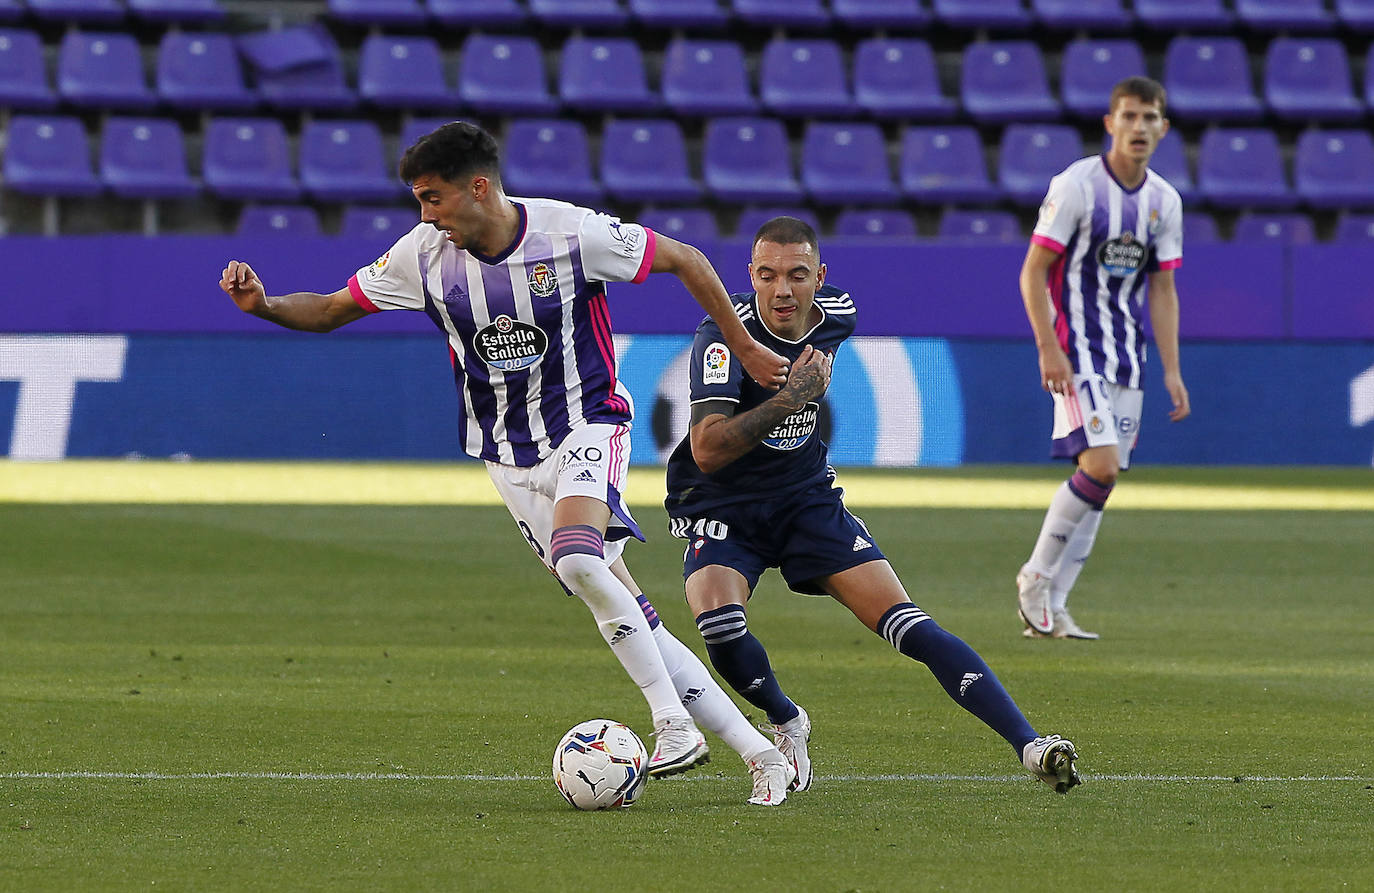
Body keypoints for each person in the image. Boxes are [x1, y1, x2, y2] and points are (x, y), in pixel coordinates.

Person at [219, 121, 802, 805]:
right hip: (508, 458)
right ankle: (762, 755)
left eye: (433, 198)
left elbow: (686, 259)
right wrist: (263, 305)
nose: (426, 214)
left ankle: (673, 724)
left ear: (478, 186)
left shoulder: (570, 234)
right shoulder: (422, 255)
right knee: (622, 605)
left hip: (588, 426)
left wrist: (746, 347)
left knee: (579, 561)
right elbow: (328, 309)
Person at [663, 215, 1082, 795]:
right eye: (767, 275)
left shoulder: (838, 315)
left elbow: (830, 324)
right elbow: (707, 450)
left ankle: (1031, 746)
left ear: (821, 276)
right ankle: (786, 720)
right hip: (726, 505)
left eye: (797, 275)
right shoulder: (720, 339)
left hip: (806, 501)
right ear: (750, 275)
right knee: (720, 627)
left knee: (909, 624)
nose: (782, 290)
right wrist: (790, 400)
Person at [1015, 76, 1191, 640]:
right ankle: (1035, 580)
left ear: (1163, 128)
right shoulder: (1077, 186)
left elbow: (1162, 289)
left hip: (1126, 357)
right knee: (1101, 466)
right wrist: (1048, 347)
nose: (1139, 128)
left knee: (1103, 481)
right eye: (1130, 116)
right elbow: (1034, 270)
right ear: (1110, 123)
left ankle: (1057, 606)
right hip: (1077, 351)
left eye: (1150, 118)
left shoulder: (1165, 202)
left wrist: (1170, 368)